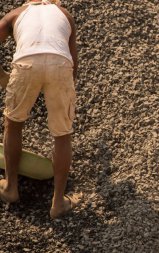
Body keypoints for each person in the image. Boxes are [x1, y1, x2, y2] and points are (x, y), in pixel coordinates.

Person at [0, 0, 81, 219]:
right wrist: (64, 94)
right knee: (62, 134)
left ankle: (10, 188)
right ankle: (58, 204)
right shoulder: (64, 14)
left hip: (26, 63)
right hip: (61, 64)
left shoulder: (16, 13)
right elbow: (73, 62)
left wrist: (2, 75)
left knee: (14, 124)